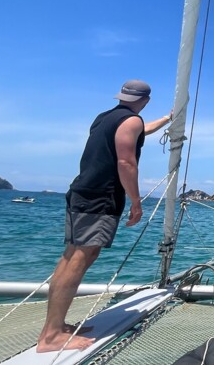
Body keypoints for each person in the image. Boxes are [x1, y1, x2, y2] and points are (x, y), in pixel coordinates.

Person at [37, 80, 171, 352]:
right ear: (145, 100)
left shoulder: (107, 118)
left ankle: (56, 326)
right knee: (79, 259)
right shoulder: (131, 121)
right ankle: (51, 336)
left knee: (71, 256)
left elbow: (138, 130)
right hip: (100, 197)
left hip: (82, 192)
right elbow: (126, 162)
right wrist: (136, 201)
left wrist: (169, 118)